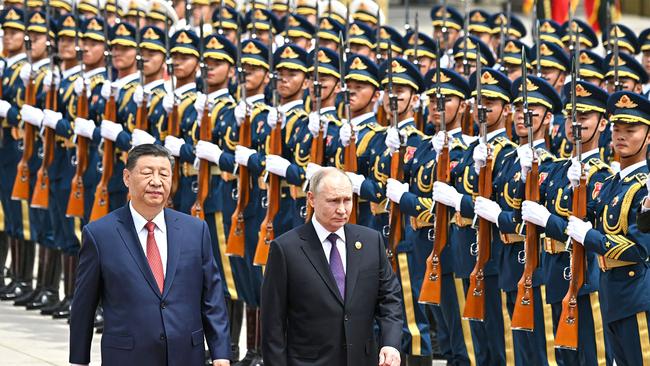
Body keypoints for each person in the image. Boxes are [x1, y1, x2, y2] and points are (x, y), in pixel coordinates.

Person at [69, 144, 231, 366]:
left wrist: (221, 353)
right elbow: (84, 305)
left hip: (186, 356)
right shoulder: (100, 235)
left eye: (164, 174)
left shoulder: (195, 230)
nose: (156, 181)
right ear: (127, 177)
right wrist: (79, 360)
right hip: (127, 357)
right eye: (147, 173)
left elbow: (212, 298)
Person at [261, 167, 402, 366]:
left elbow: (389, 298)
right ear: (311, 198)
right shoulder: (286, 249)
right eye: (333, 201)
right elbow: (272, 324)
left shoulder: (371, 241)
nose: (342, 210)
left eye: (347, 200)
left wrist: (390, 343)